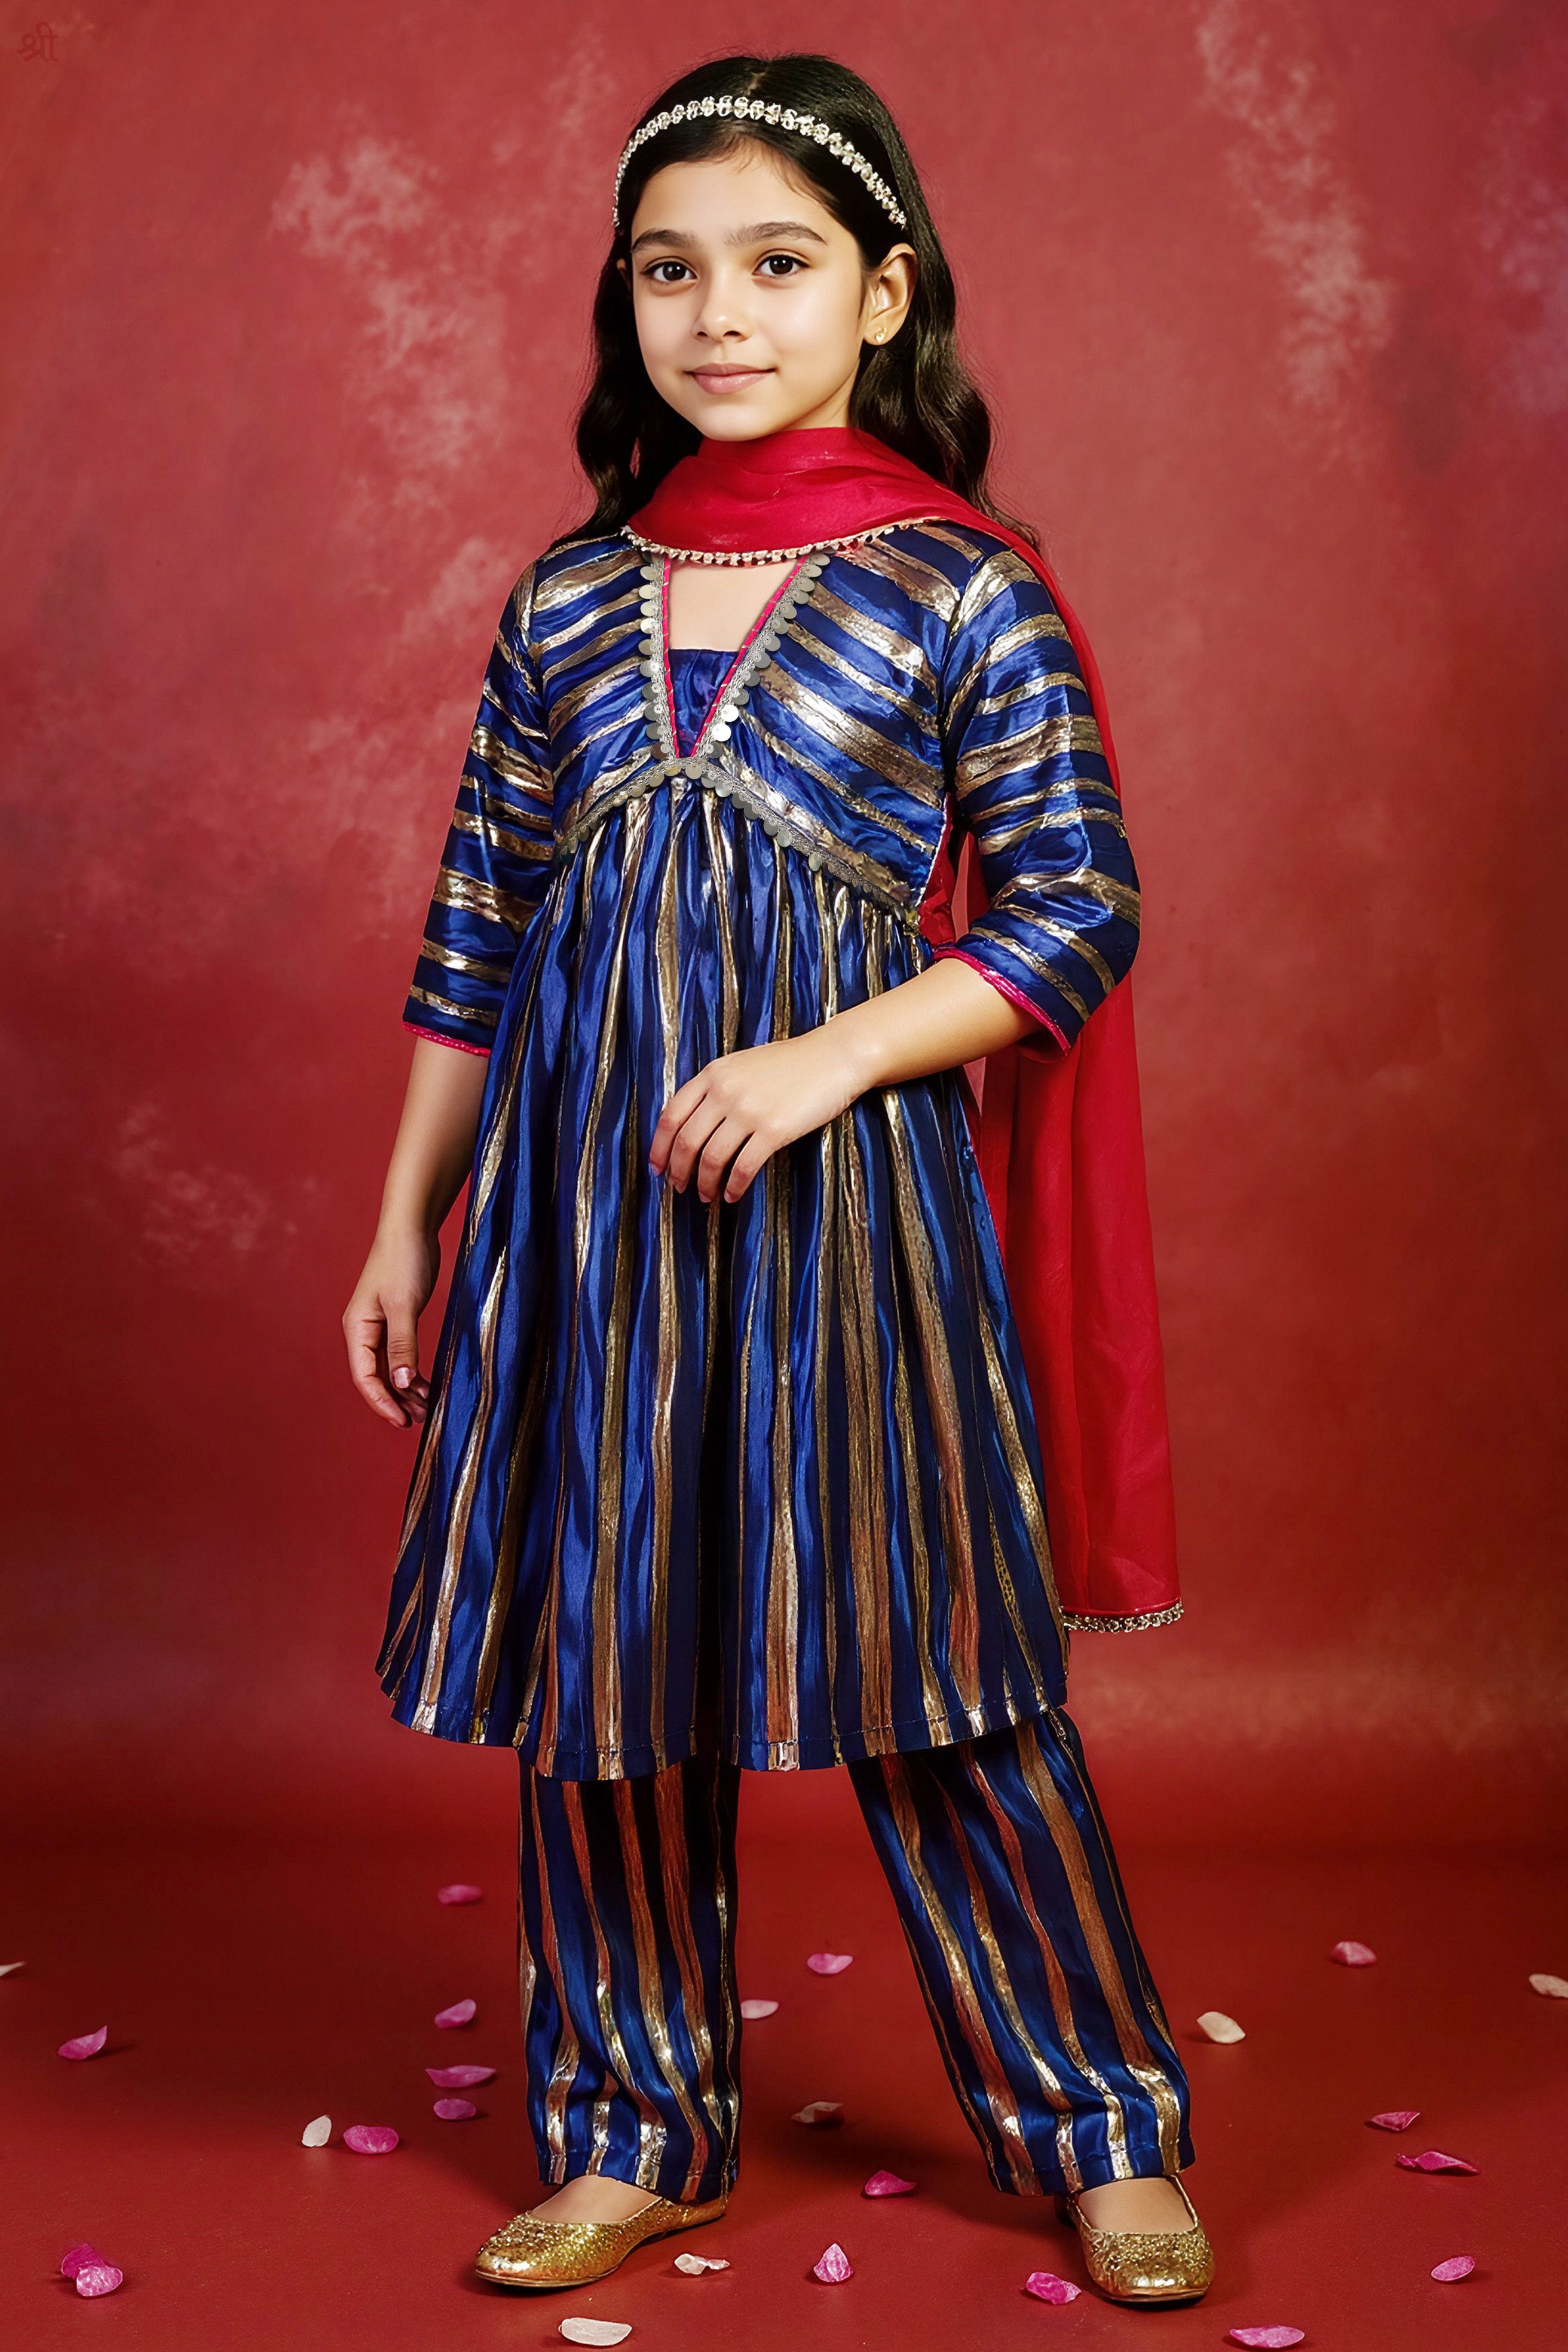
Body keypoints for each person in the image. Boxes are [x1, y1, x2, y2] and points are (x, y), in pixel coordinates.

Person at [343, 50, 1213, 2311]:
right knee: (607, 1670)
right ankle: (635, 2121)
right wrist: (404, 1217)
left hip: (855, 1223)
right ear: (625, 301)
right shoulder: (565, 602)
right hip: (587, 1220)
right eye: (671, 270)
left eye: (779, 265)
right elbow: (475, 927)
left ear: (882, 289)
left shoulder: (956, 591)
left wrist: (833, 1054)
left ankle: (1100, 2119)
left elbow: (1076, 908)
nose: (721, 313)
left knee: (942, 1671)